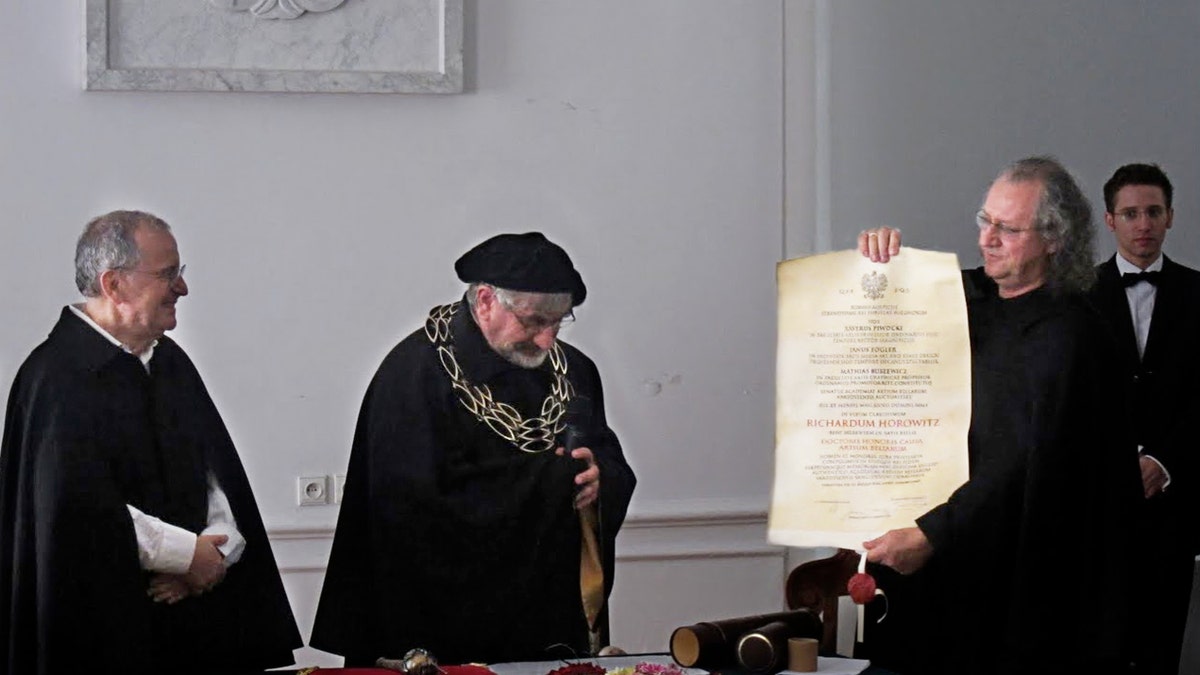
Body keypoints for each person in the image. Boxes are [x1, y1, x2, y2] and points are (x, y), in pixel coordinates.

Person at [855, 157, 1142, 675]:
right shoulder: (968, 299)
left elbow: (1022, 464)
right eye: (985, 221)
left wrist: (933, 533)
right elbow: (879, 320)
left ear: (1054, 239)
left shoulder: (1074, 338)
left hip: (1020, 600)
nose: (988, 239)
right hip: (944, 577)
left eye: (1008, 229)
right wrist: (878, 262)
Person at [310, 232, 636, 666]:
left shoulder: (575, 371)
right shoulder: (413, 375)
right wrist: (548, 485)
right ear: (485, 300)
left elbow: (605, 455)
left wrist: (600, 477)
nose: (546, 339)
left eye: (560, 321)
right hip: (441, 630)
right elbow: (407, 515)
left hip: (547, 617)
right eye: (535, 321)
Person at [0, 210, 301, 675]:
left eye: (180, 273)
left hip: (195, 621)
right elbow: (75, 513)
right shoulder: (56, 379)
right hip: (104, 629)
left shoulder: (169, 363)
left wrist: (212, 556)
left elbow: (216, 477)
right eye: (167, 274)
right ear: (114, 284)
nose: (182, 288)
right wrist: (187, 556)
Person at [1090, 163, 1200, 675]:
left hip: (1174, 508)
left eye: (1153, 211)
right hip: (1091, 511)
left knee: (1160, 651)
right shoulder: (1078, 296)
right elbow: (1066, 397)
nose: (1144, 224)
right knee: (1095, 650)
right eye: (1131, 213)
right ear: (1110, 220)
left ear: (1171, 216)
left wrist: (1163, 459)